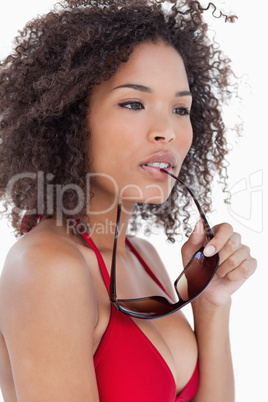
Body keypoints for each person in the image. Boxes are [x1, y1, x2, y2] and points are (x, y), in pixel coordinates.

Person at [0, 0, 257, 401]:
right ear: (71, 119)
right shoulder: (46, 268)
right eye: (133, 103)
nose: (166, 131)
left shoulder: (144, 257)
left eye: (180, 108)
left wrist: (211, 302)